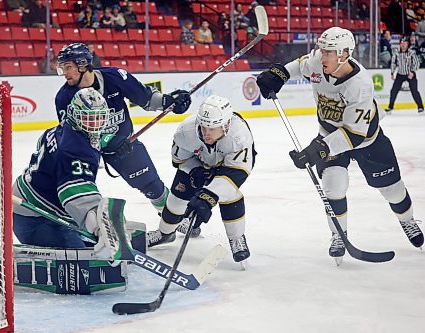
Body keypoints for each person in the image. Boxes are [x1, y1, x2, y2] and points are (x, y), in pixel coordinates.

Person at [256, 27, 424, 263]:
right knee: (333, 186)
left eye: (329, 52)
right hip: (329, 133)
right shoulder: (318, 62)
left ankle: (407, 220)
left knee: (391, 189)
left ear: (344, 54)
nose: (323, 56)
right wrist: (279, 74)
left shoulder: (360, 85)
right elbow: (298, 65)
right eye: (322, 50)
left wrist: (316, 150)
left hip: (367, 140)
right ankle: (338, 234)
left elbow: (354, 135)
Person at [55, 43, 191, 215]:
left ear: (83, 65)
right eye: (62, 68)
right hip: (86, 153)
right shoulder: (63, 98)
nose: (64, 73)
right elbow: (71, 138)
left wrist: (169, 101)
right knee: (77, 190)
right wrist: (107, 140)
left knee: (151, 186)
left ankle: (174, 218)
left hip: (123, 147)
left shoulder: (115, 77)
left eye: (68, 67)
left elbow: (146, 98)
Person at [146, 95, 256, 263]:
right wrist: (196, 171)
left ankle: (236, 238)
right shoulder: (186, 132)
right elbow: (179, 160)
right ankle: (164, 233)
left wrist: (207, 197)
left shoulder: (239, 137)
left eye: (212, 128)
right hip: (198, 163)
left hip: (227, 168)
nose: (206, 133)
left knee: (229, 195)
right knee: (176, 198)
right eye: (203, 127)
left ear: (226, 125)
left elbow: (238, 171)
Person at [13, 88, 123, 256]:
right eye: (88, 118)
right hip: (35, 218)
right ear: (75, 114)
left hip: (29, 201)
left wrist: (111, 144)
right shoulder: (73, 150)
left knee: (89, 241)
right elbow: (75, 195)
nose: (95, 124)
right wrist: (100, 227)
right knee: (84, 258)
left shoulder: (61, 129)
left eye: (99, 117)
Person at [385, 36, 424, 114]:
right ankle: (390, 107)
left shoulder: (411, 52)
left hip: (410, 74)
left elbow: (416, 63)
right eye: (402, 43)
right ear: (400, 44)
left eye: (405, 43)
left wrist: (412, 72)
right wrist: (392, 73)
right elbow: (393, 63)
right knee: (393, 91)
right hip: (400, 74)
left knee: (414, 91)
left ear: (407, 44)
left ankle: (420, 107)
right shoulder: (396, 52)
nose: (403, 45)